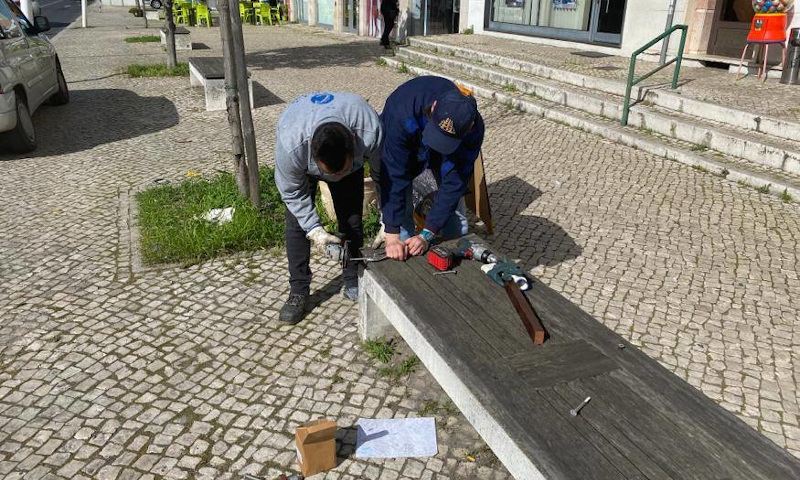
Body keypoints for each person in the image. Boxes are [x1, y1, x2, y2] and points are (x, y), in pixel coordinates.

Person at [275, 92, 383, 324]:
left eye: (341, 170)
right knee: (296, 225)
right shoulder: (291, 144)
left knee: (352, 219)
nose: (335, 176)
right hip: (303, 159)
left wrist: (389, 218)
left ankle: (353, 277)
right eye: (329, 172)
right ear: (312, 156)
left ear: (353, 145)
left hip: (347, 156)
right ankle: (298, 290)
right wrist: (314, 230)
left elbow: (383, 174)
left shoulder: (369, 128)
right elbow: (292, 193)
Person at [373, 76, 484, 261]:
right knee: (402, 217)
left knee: (455, 220)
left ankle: (457, 262)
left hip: (447, 147)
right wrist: (392, 235)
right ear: (433, 108)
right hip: (405, 142)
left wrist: (427, 234)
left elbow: (455, 181)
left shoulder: (473, 126)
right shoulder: (401, 113)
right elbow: (394, 176)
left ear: (470, 127)